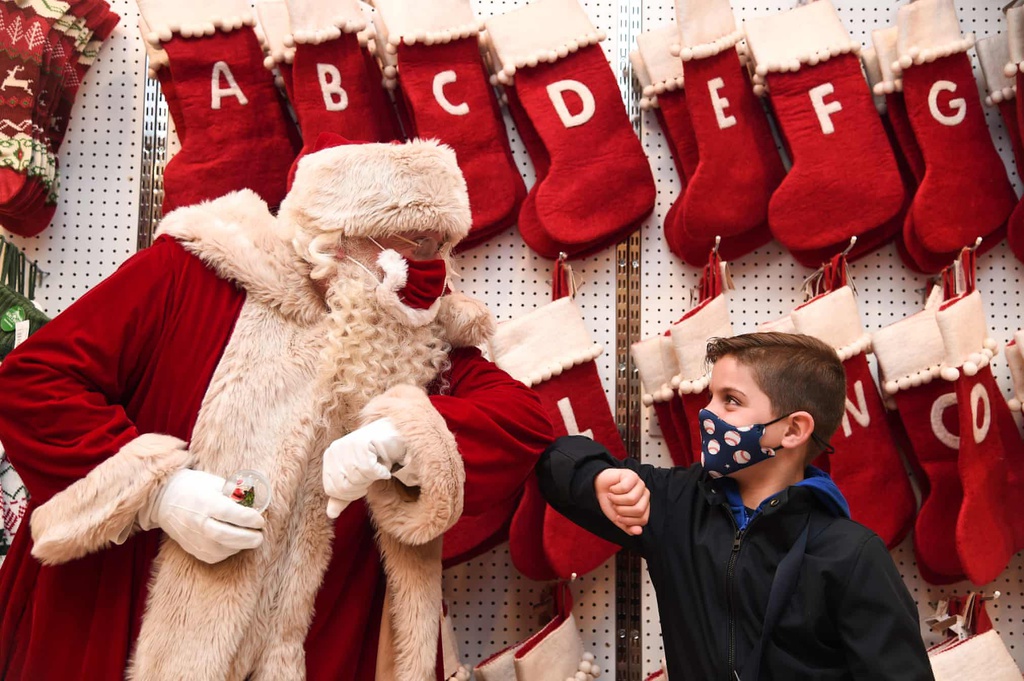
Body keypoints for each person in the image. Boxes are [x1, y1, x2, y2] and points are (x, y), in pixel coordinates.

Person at [0, 136, 553, 680]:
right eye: (413, 244)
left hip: (322, 641)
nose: (432, 269)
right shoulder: (190, 277)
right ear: (337, 239)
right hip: (135, 619)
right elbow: (35, 380)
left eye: (440, 246)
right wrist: (157, 492)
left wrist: (401, 438)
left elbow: (521, 420)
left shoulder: (421, 341)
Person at [537, 332, 933, 681]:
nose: (707, 413)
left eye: (730, 401)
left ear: (793, 430)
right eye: (710, 396)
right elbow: (555, 462)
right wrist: (597, 478)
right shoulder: (677, 505)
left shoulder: (850, 554)